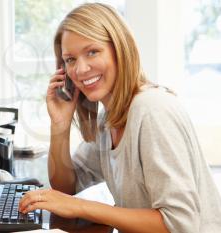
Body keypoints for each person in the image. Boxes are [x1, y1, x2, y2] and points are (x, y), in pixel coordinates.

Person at [18, 3, 221, 233]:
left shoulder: (152, 110)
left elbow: (179, 224)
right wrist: (59, 126)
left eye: (92, 51)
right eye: (70, 59)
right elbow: (66, 187)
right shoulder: (110, 120)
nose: (81, 69)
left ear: (119, 49)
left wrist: (81, 207)